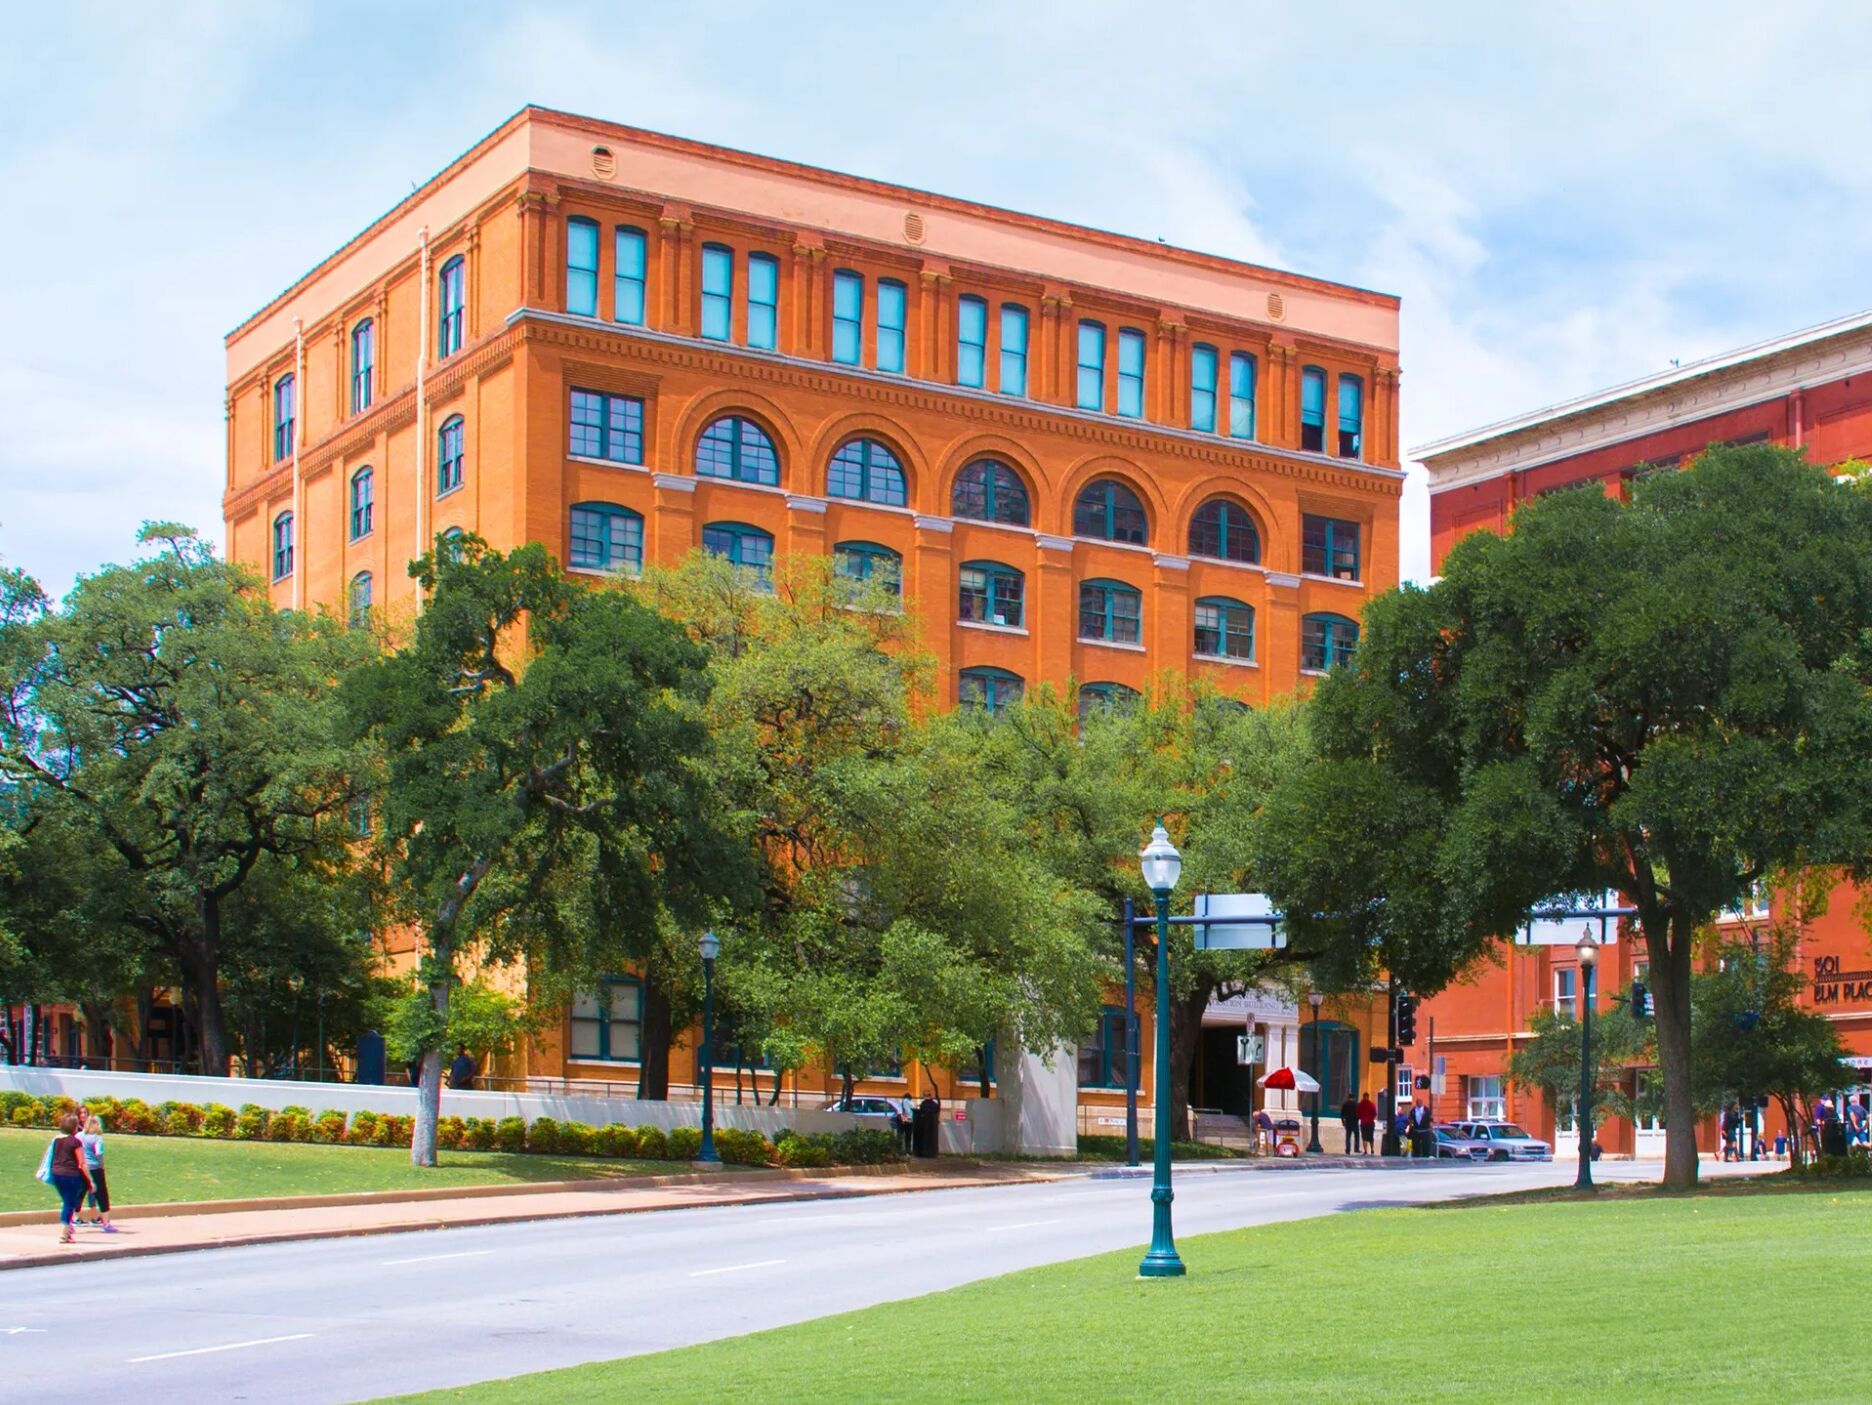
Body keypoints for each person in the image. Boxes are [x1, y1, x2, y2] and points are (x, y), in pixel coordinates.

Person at [40, 1114, 94, 1246]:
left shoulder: (57, 1140)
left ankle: (69, 1228)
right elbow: (82, 1163)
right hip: (71, 1175)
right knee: (69, 1204)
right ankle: (64, 1234)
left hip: (57, 1174)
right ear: (74, 1127)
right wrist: (90, 1181)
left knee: (68, 1201)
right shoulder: (75, 1142)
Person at [77, 1113, 116, 1232]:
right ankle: (106, 1224)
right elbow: (99, 1153)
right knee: (102, 1195)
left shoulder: (79, 1136)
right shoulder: (97, 1138)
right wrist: (102, 1165)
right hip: (94, 1168)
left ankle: (72, 1220)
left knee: (78, 1194)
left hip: (81, 1168)